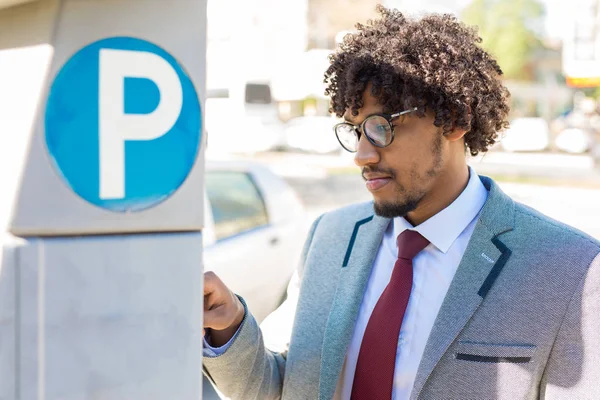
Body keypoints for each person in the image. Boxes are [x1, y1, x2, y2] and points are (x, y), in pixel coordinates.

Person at [202, 6, 600, 400]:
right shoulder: (330, 236)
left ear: (455, 119)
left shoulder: (570, 269)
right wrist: (230, 324)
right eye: (355, 130)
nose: (361, 154)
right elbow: (284, 387)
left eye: (381, 127)